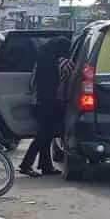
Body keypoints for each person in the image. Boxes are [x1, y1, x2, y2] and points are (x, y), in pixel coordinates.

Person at [19, 34, 71, 177]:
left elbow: (32, 83)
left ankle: (45, 165)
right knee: (43, 136)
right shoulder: (61, 63)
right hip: (48, 104)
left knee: (46, 136)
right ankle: (26, 164)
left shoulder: (42, 61)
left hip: (39, 103)